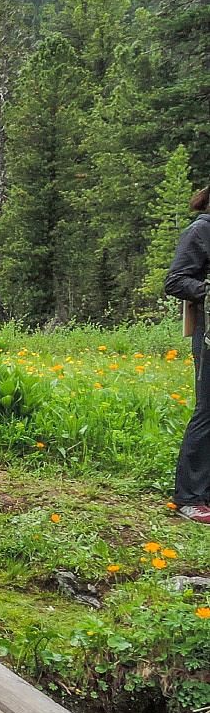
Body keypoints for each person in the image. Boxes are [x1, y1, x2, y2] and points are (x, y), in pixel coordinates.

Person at [165, 184, 210, 523]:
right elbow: (176, 280)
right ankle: (189, 499)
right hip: (209, 335)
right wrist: (206, 288)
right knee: (208, 410)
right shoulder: (201, 229)